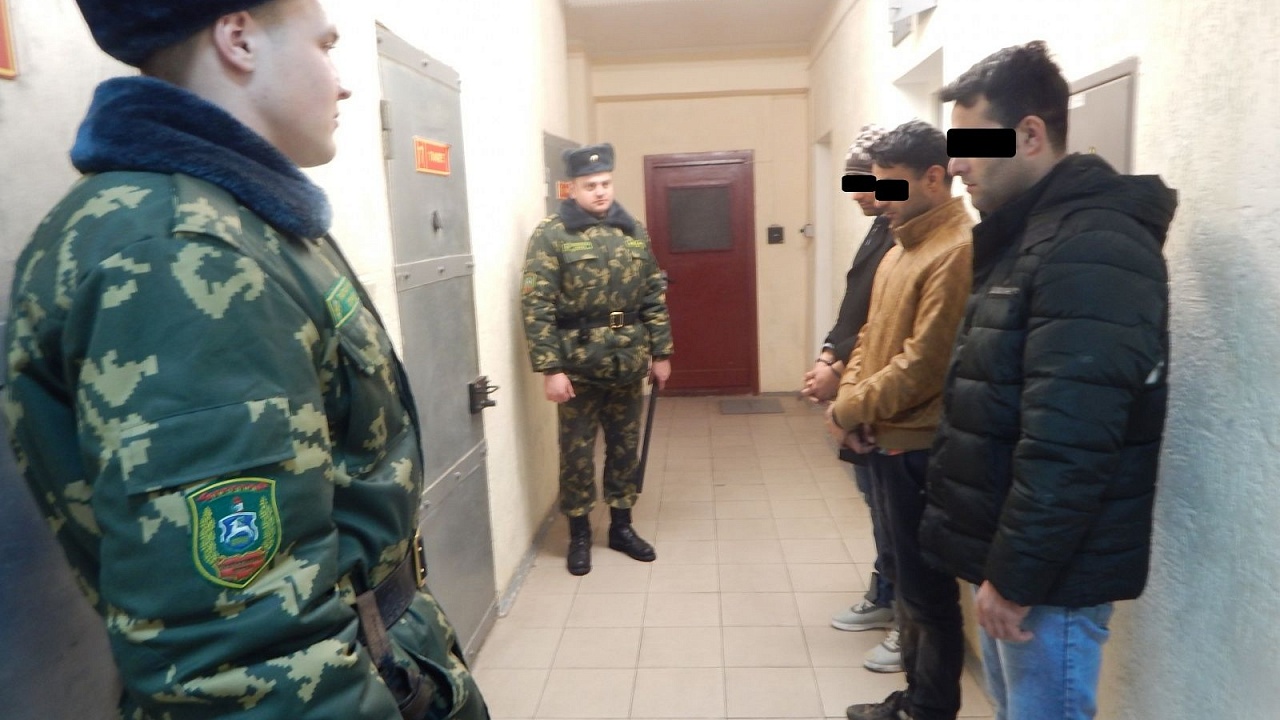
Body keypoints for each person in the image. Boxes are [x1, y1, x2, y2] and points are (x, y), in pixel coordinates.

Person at [4, 2, 489, 718]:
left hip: (383, 658)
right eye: (325, 45)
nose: (342, 81)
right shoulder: (180, 253)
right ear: (239, 38)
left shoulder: (238, 217)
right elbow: (243, 659)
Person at [920, 41, 1174, 720]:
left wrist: (1016, 577)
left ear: (1030, 135)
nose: (956, 164)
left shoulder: (1092, 246)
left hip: (1049, 580)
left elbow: (1071, 441)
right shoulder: (1025, 238)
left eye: (969, 144)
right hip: (1016, 561)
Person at [825, 120, 973, 720]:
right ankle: (910, 699)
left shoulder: (954, 251)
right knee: (909, 585)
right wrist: (853, 400)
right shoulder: (900, 247)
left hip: (920, 448)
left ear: (933, 178)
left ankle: (928, 708)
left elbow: (922, 365)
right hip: (885, 436)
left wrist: (846, 408)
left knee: (929, 594)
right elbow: (868, 338)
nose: (878, 198)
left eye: (890, 185)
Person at [521, 143, 674, 576]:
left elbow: (652, 293)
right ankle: (580, 534)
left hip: (627, 361)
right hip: (577, 367)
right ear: (572, 188)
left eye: (605, 183)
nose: (601, 192)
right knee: (577, 454)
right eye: (590, 186)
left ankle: (622, 527)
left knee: (625, 448)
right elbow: (536, 305)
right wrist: (551, 369)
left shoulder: (632, 230)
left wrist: (661, 352)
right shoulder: (552, 234)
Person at [802, 124, 902, 673]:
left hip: (886, 403)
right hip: (861, 391)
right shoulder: (882, 228)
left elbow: (891, 331)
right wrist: (829, 356)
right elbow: (855, 310)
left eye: (864, 181)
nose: (856, 193)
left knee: (898, 513)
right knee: (878, 503)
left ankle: (906, 616)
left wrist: (838, 377)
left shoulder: (913, 238)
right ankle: (885, 592)